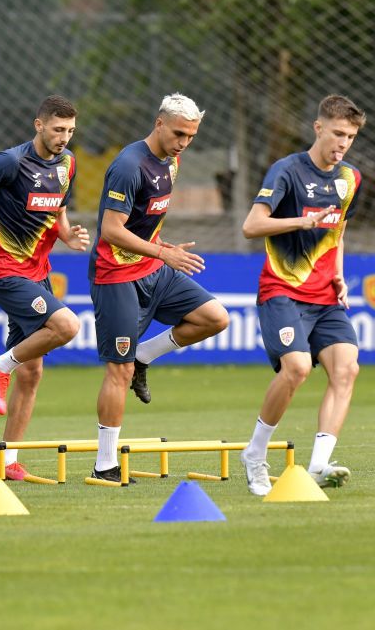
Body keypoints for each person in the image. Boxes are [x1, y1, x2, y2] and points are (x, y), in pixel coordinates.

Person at [88, 93, 229, 484]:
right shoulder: (128, 166)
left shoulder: (172, 162)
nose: (184, 142)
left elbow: (144, 222)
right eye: (179, 133)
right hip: (116, 275)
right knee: (119, 369)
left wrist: (161, 249)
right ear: (159, 123)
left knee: (215, 318)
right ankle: (104, 466)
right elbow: (112, 230)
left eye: (191, 136)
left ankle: (146, 356)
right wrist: (162, 253)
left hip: (153, 266)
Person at [0, 95, 88, 480]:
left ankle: (7, 462)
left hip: (38, 273)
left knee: (33, 372)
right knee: (67, 327)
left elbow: (57, 205)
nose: (64, 137)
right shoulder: (10, 161)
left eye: (71, 131)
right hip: (5, 273)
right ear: (38, 125)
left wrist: (65, 234)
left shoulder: (68, 163)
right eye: (58, 129)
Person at [237, 95, 366, 496]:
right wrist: (300, 220)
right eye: (338, 133)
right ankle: (255, 455)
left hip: (325, 295)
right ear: (318, 127)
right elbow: (252, 225)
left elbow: (337, 231)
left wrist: (340, 276)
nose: (343, 143)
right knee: (296, 368)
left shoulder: (350, 179)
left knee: (347, 368)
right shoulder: (287, 171)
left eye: (350, 137)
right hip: (282, 291)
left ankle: (320, 464)